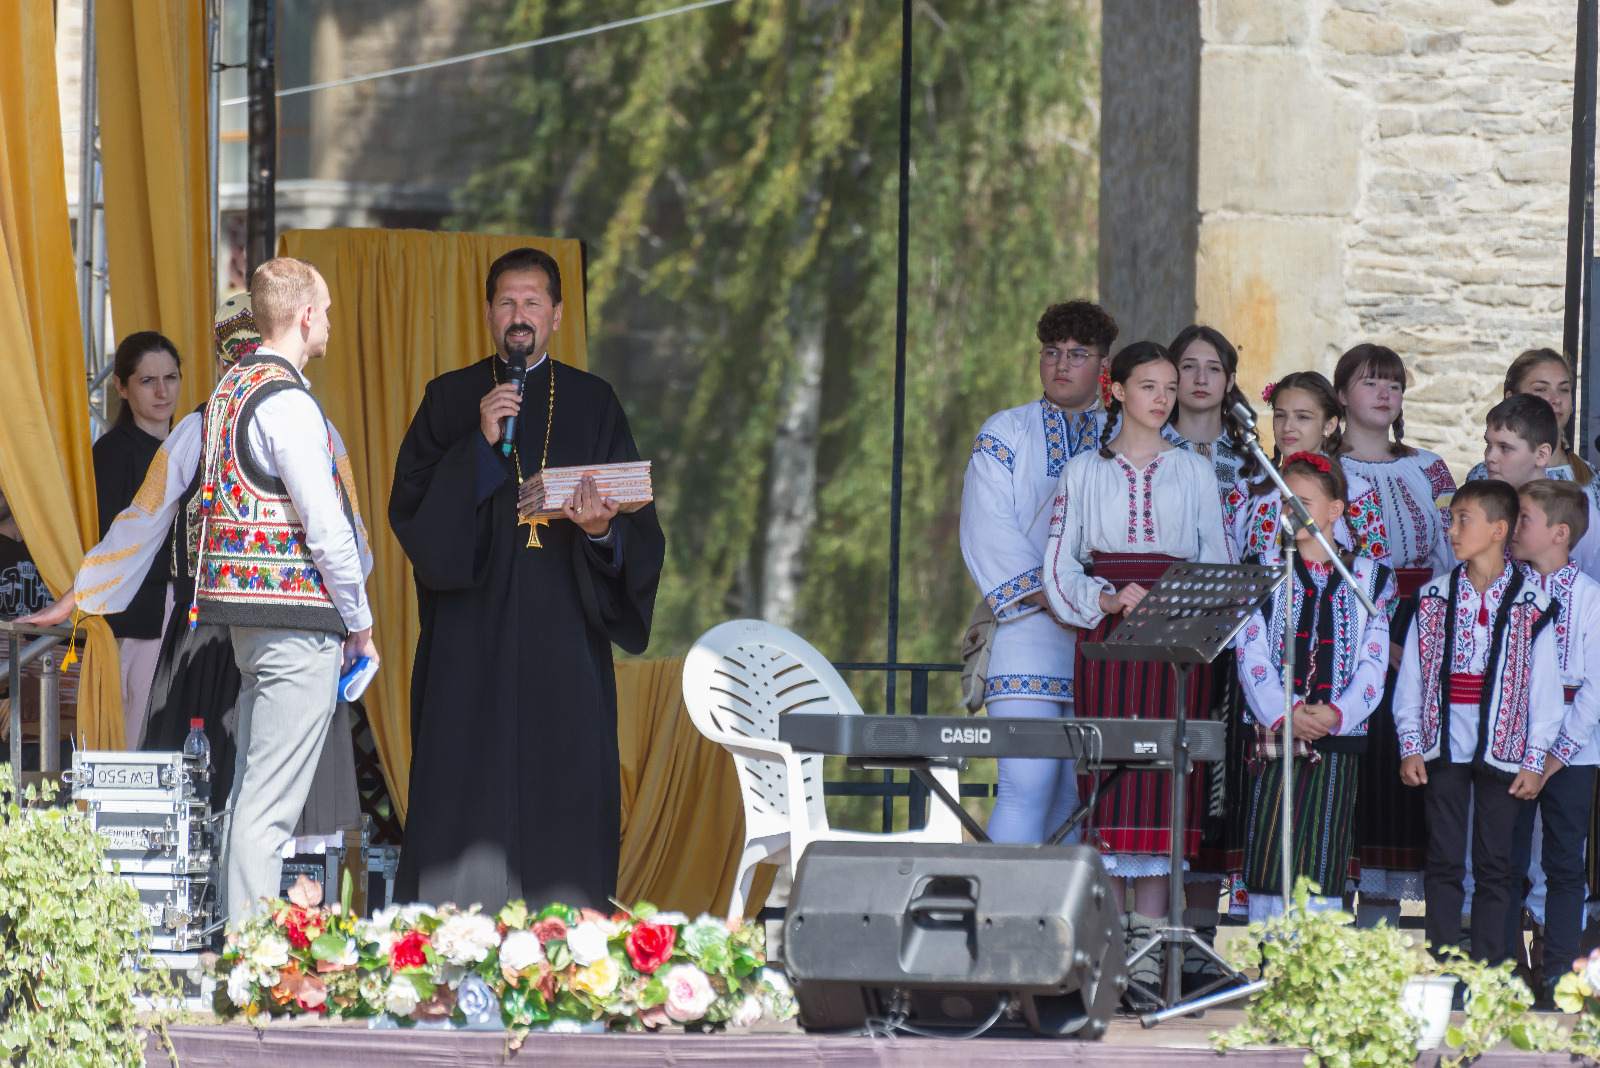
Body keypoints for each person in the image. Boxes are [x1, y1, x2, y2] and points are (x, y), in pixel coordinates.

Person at [389, 246, 666, 913]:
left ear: (558, 315)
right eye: (508, 303)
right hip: (470, 643)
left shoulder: (595, 402)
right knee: (463, 792)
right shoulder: (451, 398)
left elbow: (639, 529)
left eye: (533, 303)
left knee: (563, 801)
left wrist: (599, 530)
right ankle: (451, 950)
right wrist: (479, 446)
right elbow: (416, 520)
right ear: (488, 313)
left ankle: (569, 953)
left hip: (563, 639)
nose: (520, 316)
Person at [23, 296, 373, 814]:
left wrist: (80, 595)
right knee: (252, 796)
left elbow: (137, 528)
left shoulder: (202, 427)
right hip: (257, 628)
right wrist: (356, 619)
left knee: (224, 793)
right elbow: (347, 538)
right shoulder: (302, 422)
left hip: (211, 628)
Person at [1042, 340, 1230, 992]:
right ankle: (1109, 959)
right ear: (1116, 389)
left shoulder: (1194, 472)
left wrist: (1176, 605)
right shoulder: (1083, 473)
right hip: (1110, 640)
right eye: (1148, 385)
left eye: (1170, 387)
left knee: (1164, 788)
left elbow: (1219, 565)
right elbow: (1060, 561)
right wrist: (1102, 597)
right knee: (1113, 786)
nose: (1162, 397)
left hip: (1174, 647)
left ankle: (1152, 962)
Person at [193, 258, 377, 923]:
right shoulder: (289, 402)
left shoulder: (231, 391)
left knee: (251, 796)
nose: (327, 322)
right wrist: (359, 620)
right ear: (304, 317)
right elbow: (326, 529)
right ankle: (249, 962)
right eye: (324, 311)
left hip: (247, 616)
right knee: (268, 809)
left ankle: (239, 949)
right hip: (297, 619)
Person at [959, 299, 1118, 844]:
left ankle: (1056, 926)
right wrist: (1058, 595)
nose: (1061, 364)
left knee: (1075, 798)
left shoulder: (1122, 435)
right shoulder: (1004, 432)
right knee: (1025, 786)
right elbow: (987, 529)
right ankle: (998, 921)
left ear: (1103, 367)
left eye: (1078, 354)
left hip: (1098, 636)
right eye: (1051, 352)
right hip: (1026, 631)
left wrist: (1090, 600)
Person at [1394, 478, 1561, 964]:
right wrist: (1410, 743)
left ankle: (1489, 968)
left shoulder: (1533, 605)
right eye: (1450, 520)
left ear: (1497, 530)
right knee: (1443, 859)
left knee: (1495, 864)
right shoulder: (1433, 598)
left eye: (1462, 519)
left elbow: (1545, 692)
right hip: (1442, 745)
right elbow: (1413, 678)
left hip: (1504, 749)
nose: (1451, 530)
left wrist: (1534, 759)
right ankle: (1444, 965)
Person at [1234, 453, 1394, 921]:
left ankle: (1313, 961)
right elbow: (1251, 652)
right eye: (1285, 502)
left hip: (1337, 735)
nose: (1291, 512)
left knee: (1324, 844)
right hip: (1275, 731)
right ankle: (1271, 954)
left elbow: (1373, 659)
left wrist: (1338, 714)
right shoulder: (1260, 570)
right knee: (1271, 840)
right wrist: (1286, 713)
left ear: (1335, 511)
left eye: (1302, 502)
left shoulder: (1367, 577)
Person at [1335, 343, 1456, 928]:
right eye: (1370, 382)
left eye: (1395, 385)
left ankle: (1377, 933)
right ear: (1341, 394)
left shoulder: (1428, 467)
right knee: (1352, 770)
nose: (1385, 394)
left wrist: (1432, 633)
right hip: (1348, 624)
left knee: (1398, 772)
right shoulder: (1326, 469)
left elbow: (1449, 553)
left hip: (1419, 620)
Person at [1506, 479, 1600, 1002]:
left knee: (1565, 863)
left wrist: (1554, 757)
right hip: (1508, 746)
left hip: (1573, 753)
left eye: (1524, 519)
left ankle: (1560, 977)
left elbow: (1594, 689)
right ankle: (1501, 973)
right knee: (1504, 861)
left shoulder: (1590, 598)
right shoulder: (1505, 589)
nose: (1514, 528)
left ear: (1559, 534)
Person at [93, 331, 183, 747]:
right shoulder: (113, 452)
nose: (162, 391)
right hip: (142, 614)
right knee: (139, 737)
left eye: (171, 377)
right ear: (121, 387)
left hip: (190, 609)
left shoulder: (190, 445)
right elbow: (113, 540)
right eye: (148, 381)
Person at [1482, 394, 1600, 583]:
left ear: (1542, 454)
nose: (1490, 457)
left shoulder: (1577, 511)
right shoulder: (1480, 512)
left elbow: (1595, 580)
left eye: (1505, 448)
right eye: (1488, 444)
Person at [1463, 349, 1595, 502]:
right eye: (1541, 389)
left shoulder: (1592, 477)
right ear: (1512, 399)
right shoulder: (1485, 476)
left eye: (1564, 389)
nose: (1556, 399)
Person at [1162, 325, 1255, 492]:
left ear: (1230, 381)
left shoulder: (1251, 463)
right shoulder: (1148, 451)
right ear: (1171, 376)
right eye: (1189, 366)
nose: (1201, 379)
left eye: (1213, 369)